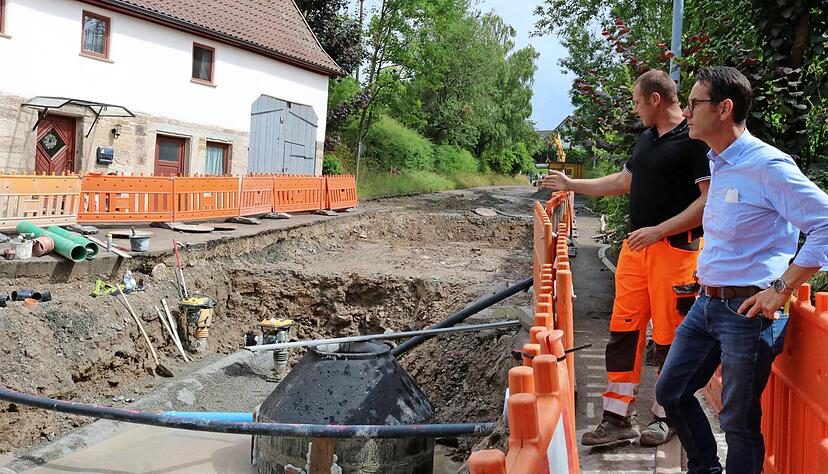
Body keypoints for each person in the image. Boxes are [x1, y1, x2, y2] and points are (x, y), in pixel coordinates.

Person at [655, 66, 828, 473]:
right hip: (706, 304)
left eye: (694, 103)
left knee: (738, 423)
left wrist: (782, 286)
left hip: (746, 312)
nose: (686, 112)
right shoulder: (720, 162)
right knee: (672, 392)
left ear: (724, 109)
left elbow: (825, 222)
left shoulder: (767, 165)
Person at [542, 69, 710, 446]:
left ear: (654, 99)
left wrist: (660, 230)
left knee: (670, 337)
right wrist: (572, 184)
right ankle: (617, 419)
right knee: (624, 332)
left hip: (676, 252)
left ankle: (668, 417)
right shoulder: (647, 139)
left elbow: (707, 201)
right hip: (638, 252)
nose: (635, 109)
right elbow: (622, 183)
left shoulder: (694, 141)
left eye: (637, 101)